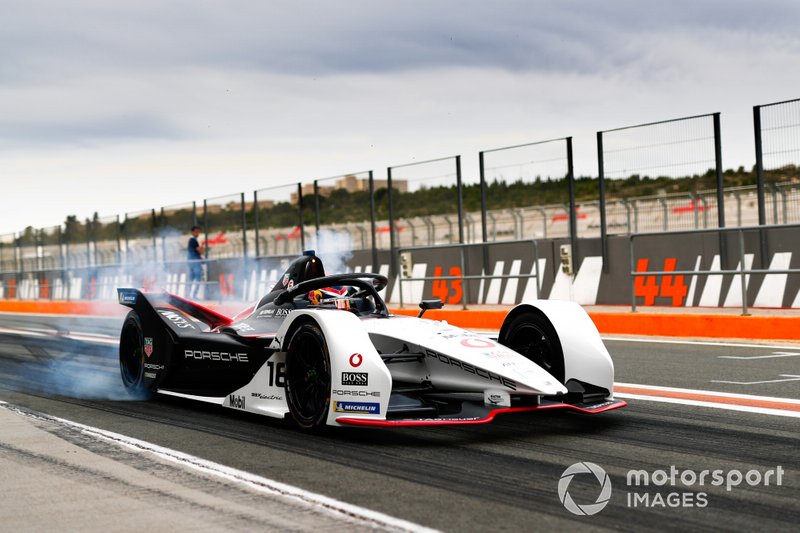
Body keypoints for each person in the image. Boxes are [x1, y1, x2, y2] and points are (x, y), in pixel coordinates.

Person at [187, 225, 205, 298]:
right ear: (192, 232)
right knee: (197, 279)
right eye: (196, 231)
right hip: (195, 263)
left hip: (192, 262)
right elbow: (200, 251)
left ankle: (189, 295)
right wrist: (202, 247)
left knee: (192, 279)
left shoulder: (192, 240)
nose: (197, 233)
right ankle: (193, 295)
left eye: (198, 231)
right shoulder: (193, 240)